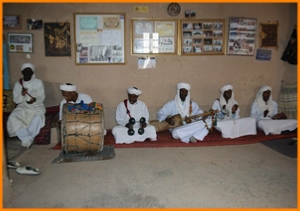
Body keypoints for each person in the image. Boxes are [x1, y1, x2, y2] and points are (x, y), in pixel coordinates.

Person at [7, 63, 46, 148]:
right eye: (25, 72)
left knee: (38, 118)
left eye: (29, 72)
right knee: (13, 118)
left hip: (36, 106)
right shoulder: (18, 84)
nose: (27, 74)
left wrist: (35, 100)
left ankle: (27, 139)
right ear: (22, 72)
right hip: (23, 106)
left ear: (32, 73)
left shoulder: (38, 82)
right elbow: (16, 100)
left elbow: (41, 97)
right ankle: (26, 138)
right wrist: (22, 95)